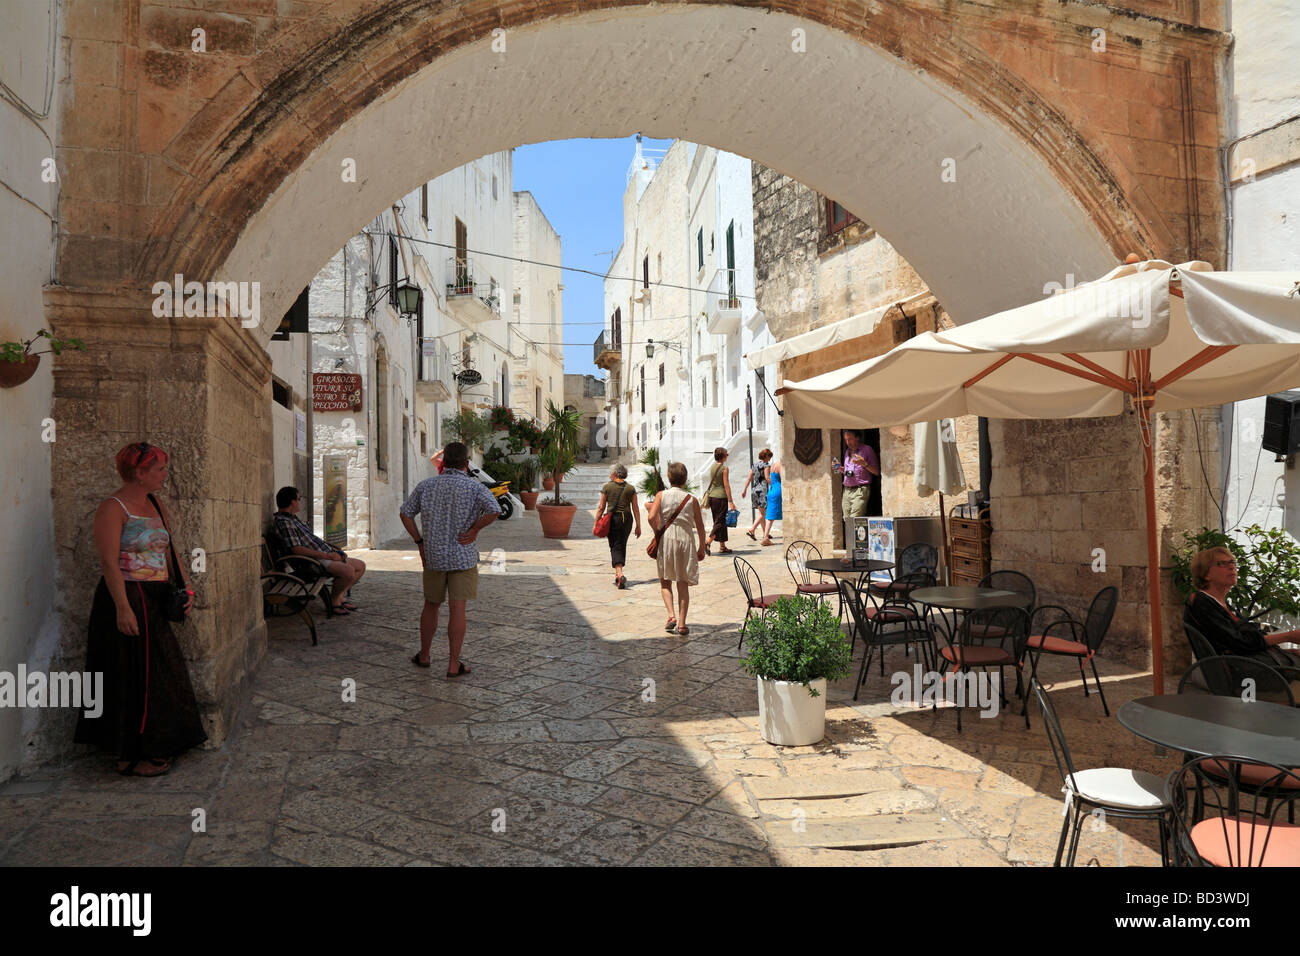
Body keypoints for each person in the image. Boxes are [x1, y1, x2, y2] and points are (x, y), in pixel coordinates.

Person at [75, 442, 206, 776]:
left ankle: (154, 744)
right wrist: (122, 608)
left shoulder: (155, 503)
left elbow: (168, 550)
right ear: (139, 472)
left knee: (160, 671)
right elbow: (108, 562)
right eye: (160, 469)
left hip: (157, 596)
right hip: (127, 595)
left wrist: (185, 586)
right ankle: (129, 756)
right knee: (130, 673)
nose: (165, 474)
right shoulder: (112, 507)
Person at [400, 441, 501, 676]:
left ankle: (424, 655)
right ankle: (453, 663)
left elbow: (405, 513)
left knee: (431, 605)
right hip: (462, 557)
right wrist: (475, 530)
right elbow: (494, 509)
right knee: (458, 610)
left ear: (443, 462)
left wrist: (419, 542)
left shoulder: (426, 486)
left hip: (433, 556)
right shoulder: (474, 488)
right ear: (466, 464)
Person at [1183, 546, 1300, 668]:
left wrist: (1284, 652)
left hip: (1248, 665)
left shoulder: (1220, 604)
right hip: (1240, 673)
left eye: (1232, 562)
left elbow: (1246, 638)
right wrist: (1288, 636)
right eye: (1222, 563)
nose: (1232, 567)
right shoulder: (1201, 603)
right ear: (1205, 574)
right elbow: (1240, 643)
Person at [274, 486, 366, 614]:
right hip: (313, 561)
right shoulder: (284, 522)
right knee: (349, 572)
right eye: (299, 499)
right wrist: (328, 556)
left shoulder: (293, 518)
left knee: (360, 566)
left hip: (324, 556)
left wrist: (334, 551)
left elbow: (311, 540)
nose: (300, 501)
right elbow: (297, 549)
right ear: (292, 502)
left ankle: (340, 597)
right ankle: (334, 602)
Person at [647, 461, 708, 636]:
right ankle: (682, 623)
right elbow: (700, 526)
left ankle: (671, 615)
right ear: (685, 478)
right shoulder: (692, 499)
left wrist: (658, 529)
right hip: (686, 540)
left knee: (665, 580)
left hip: (667, 539)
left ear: (668, 477)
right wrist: (701, 546)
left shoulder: (661, 495)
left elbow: (651, 517)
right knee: (683, 581)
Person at [594, 463, 641, 589]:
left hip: (613, 519)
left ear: (615, 474)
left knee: (615, 545)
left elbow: (601, 507)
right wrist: (638, 525)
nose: (609, 475)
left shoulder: (607, 487)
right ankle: (618, 575)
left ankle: (620, 574)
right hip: (627, 520)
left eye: (610, 472)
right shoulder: (631, 488)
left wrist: (596, 522)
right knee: (621, 544)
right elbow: (635, 508)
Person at [834, 429, 880, 522]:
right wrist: (841, 469)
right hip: (847, 491)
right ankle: (850, 537)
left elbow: (876, 472)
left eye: (850, 439)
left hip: (860, 490)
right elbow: (850, 473)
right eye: (846, 439)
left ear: (857, 438)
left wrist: (864, 464)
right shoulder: (847, 452)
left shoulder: (867, 450)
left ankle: (854, 537)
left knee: (855, 519)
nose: (848, 442)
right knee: (847, 520)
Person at [702, 446, 737, 557]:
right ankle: (707, 542)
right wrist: (731, 501)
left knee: (718, 521)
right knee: (720, 522)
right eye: (726, 454)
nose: (727, 456)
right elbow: (726, 485)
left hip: (712, 497)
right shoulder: (724, 468)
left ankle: (722, 546)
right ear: (722, 456)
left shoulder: (712, 467)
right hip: (721, 497)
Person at [740, 449, 772, 542]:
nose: (770, 459)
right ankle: (752, 529)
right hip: (762, 490)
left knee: (761, 513)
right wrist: (773, 486)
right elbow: (767, 477)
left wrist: (745, 489)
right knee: (763, 514)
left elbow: (749, 478)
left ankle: (764, 533)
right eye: (769, 457)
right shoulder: (766, 465)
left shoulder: (754, 465)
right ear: (766, 456)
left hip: (754, 490)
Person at [761, 457, 783, 547]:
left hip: (772, 490)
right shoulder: (780, 466)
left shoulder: (773, 465)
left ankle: (765, 537)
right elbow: (783, 479)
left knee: (770, 515)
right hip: (779, 490)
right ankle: (766, 537)